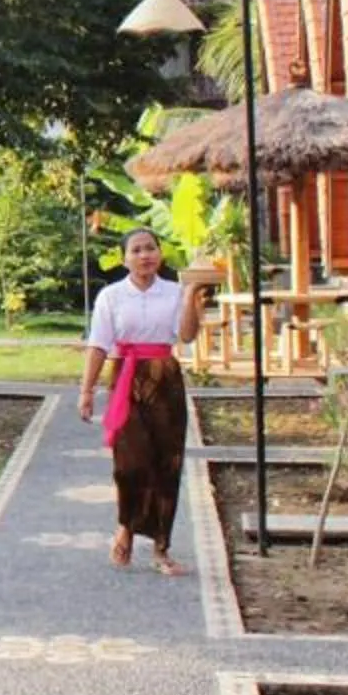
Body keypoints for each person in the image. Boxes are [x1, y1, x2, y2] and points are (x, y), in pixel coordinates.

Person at [77, 228, 209, 573]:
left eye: (150, 248)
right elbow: (98, 344)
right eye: (136, 250)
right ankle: (127, 526)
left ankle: (162, 548)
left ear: (160, 254)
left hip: (165, 379)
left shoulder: (175, 292)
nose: (144, 255)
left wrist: (191, 295)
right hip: (127, 379)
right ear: (124, 259)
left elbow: (187, 335)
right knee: (129, 463)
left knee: (168, 463)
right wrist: (86, 391)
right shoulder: (111, 296)